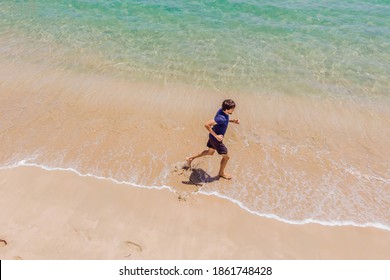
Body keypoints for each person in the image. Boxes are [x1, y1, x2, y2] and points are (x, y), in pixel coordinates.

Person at [186, 99, 239, 180]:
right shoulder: (221, 118)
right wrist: (217, 136)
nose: (233, 110)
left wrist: (232, 121)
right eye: (232, 109)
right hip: (216, 140)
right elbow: (206, 125)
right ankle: (221, 173)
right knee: (226, 157)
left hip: (212, 137)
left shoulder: (222, 111)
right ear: (227, 109)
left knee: (210, 152)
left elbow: (224, 120)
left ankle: (190, 158)